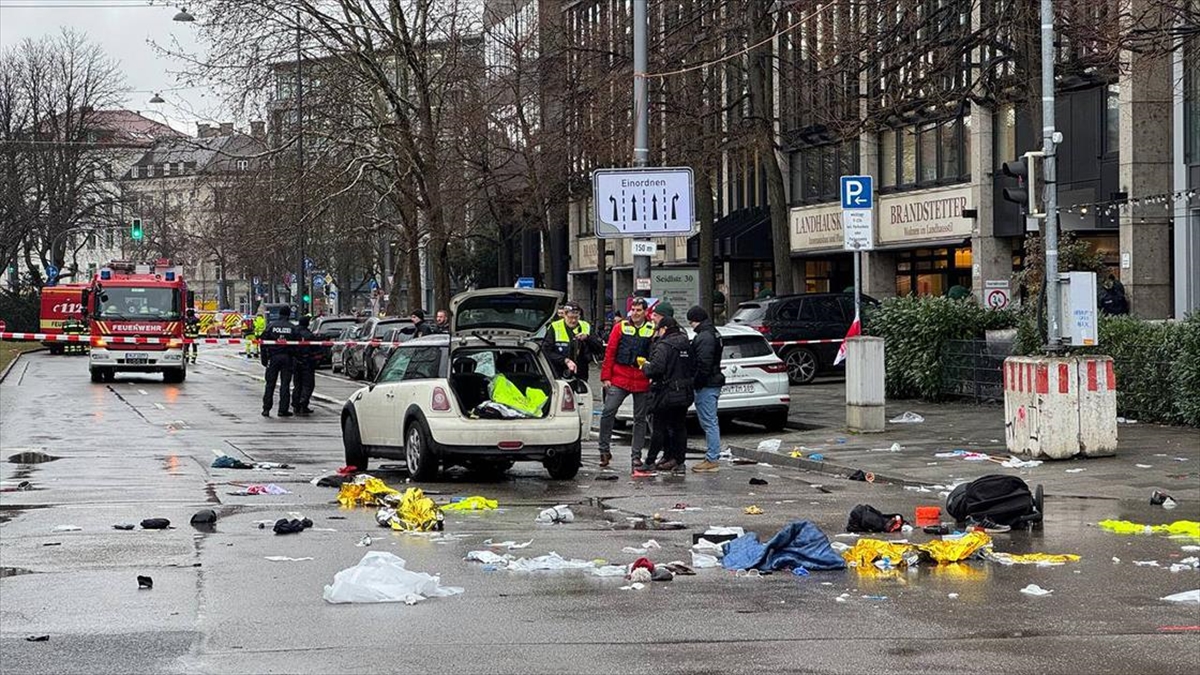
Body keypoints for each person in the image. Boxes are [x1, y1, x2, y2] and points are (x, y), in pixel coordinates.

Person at [598, 297, 655, 470]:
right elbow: (610, 352)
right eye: (633, 310)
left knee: (639, 419)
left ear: (645, 311)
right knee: (608, 411)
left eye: (639, 310)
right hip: (620, 377)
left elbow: (655, 354)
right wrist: (605, 377)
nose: (636, 313)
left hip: (642, 379)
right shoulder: (620, 327)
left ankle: (636, 456)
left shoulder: (652, 329)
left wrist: (652, 374)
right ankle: (604, 450)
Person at [641, 316, 694, 473]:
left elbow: (656, 369)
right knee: (679, 427)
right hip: (685, 392)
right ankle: (680, 462)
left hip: (666, 393)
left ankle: (650, 461)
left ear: (663, 329)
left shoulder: (664, 345)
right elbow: (694, 366)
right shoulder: (686, 343)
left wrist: (644, 366)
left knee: (659, 428)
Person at [687, 306, 724, 473]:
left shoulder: (704, 337)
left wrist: (696, 382)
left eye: (691, 321)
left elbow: (704, 364)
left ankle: (712, 458)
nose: (691, 325)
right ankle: (712, 456)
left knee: (709, 422)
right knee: (710, 421)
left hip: (707, 384)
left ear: (696, 320)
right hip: (711, 382)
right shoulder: (713, 333)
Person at [641, 300, 674, 468]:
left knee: (661, 425)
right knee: (664, 425)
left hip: (664, 388)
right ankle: (668, 456)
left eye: (655, 315)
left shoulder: (666, 340)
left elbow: (658, 366)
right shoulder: (657, 335)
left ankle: (655, 459)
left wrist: (647, 367)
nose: (652, 317)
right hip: (664, 388)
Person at [541, 301, 604, 386]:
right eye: (570, 317)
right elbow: (546, 351)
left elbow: (599, 348)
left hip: (581, 373)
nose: (573, 320)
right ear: (564, 315)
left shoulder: (585, 326)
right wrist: (565, 361)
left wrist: (587, 338)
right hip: (559, 372)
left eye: (576, 317)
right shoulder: (555, 327)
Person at [260, 305, 296, 418]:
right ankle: (283, 409)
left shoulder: (271, 326)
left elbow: (263, 342)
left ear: (280, 314)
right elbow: (298, 345)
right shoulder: (292, 327)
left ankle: (266, 409)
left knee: (270, 384)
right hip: (287, 358)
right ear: (289, 314)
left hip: (273, 357)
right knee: (285, 385)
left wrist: (264, 359)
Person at [291, 315, 318, 415]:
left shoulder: (294, 332)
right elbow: (315, 349)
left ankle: (295, 404)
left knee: (297, 384)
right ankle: (303, 403)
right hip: (307, 362)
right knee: (308, 384)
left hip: (295, 361)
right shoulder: (309, 335)